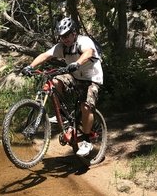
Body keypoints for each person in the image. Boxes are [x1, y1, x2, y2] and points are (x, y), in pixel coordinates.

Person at [22, 17, 103, 157]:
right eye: (61, 37)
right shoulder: (61, 47)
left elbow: (88, 52)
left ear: (74, 33)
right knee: (53, 82)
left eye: (66, 36)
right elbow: (45, 55)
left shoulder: (83, 41)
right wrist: (30, 66)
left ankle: (88, 140)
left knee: (86, 107)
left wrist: (77, 63)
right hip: (75, 77)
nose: (64, 39)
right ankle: (63, 115)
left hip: (91, 79)